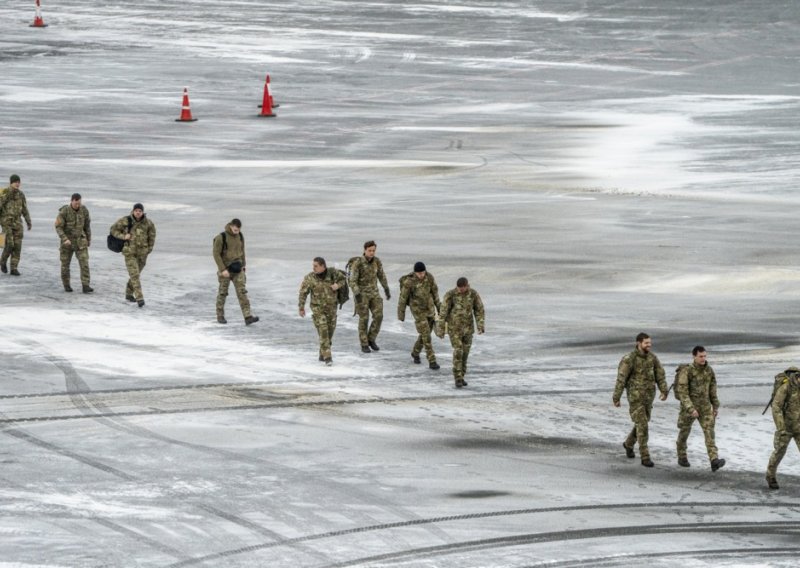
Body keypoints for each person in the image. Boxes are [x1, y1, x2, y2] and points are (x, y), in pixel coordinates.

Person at [613, 332, 669, 467]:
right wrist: (617, 397)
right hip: (635, 398)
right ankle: (645, 456)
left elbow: (660, 375)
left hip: (649, 398)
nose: (649, 345)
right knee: (643, 425)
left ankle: (628, 444)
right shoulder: (629, 359)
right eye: (646, 343)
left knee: (641, 424)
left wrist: (664, 390)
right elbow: (621, 379)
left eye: (650, 343)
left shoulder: (653, 358)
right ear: (639, 343)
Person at [675, 346, 725, 471]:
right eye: (700, 356)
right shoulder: (687, 371)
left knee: (710, 433)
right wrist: (691, 409)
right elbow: (682, 392)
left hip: (705, 408)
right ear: (694, 356)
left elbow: (712, 389)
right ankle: (682, 456)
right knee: (684, 432)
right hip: (689, 408)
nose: (703, 359)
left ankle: (714, 460)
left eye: (704, 356)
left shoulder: (709, 370)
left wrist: (715, 405)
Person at [437, 277, 485, 388]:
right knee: (458, 351)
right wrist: (441, 329)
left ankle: (462, 376)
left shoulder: (473, 294)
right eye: (459, 288)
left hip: (468, 330)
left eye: (463, 288)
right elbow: (443, 313)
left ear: (467, 285)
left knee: (465, 354)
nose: (461, 290)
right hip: (454, 330)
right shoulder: (451, 295)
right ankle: (457, 378)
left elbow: (479, 310)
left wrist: (480, 325)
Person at [299, 257, 346, 366]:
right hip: (317, 309)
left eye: (316, 266)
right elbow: (303, 293)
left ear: (323, 266)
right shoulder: (310, 278)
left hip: (332, 309)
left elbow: (343, 279)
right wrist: (301, 307)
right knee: (323, 330)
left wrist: (337, 285)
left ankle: (322, 353)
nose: (313, 268)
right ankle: (328, 357)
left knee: (330, 332)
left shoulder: (333, 273)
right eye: (313, 266)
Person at [212, 219, 259, 326]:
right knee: (223, 293)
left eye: (238, 230)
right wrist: (222, 269)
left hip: (238, 269)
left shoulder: (240, 236)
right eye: (235, 229)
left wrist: (243, 266)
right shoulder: (221, 237)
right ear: (231, 226)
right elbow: (216, 254)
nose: (237, 231)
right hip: (225, 269)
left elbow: (242, 251)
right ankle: (220, 315)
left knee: (242, 292)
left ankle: (248, 317)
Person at [110, 203, 156, 307]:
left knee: (136, 274)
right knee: (134, 275)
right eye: (136, 211)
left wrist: (149, 249)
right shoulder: (126, 220)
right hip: (129, 253)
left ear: (142, 212)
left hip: (142, 254)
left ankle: (128, 293)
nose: (138, 213)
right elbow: (113, 230)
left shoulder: (148, 223)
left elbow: (152, 236)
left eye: (140, 211)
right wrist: (123, 236)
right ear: (133, 211)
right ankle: (140, 298)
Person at [397, 261, 441, 370]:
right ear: (415, 272)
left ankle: (415, 352)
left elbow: (435, 294)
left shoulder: (429, 277)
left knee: (425, 333)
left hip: (429, 309)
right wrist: (401, 314)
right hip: (418, 311)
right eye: (419, 273)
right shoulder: (409, 282)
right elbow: (402, 299)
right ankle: (432, 360)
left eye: (423, 273)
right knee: (426, 335)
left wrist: (440, 309)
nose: (421, 275)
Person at [349, 240, 390, 353]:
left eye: (373, 250)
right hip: (362, 295)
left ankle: (371, 339)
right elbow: (352, 281)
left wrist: (386, 288)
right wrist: (357, 293)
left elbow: (381, 275)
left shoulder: (377, 261)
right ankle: (364, 343)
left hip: (374, 293)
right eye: (369, 250)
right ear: (365, 250)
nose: (372, 253)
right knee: (364, 319)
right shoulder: (358, 263)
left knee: (379, 316)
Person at [766, 366, 800, 489]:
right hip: (786, 427)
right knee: (779, 452)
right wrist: (781, 427)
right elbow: (776, 407)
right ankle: (770, 476)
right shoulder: (786, 387)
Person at [54, 193, 93, 293]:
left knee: (84, 263)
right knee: (65, 265)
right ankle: (66, 285)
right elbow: (58, 227)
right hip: (67, 242)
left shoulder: (84, 210)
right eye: (76, 203)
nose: (77, 205)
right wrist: (64, 239)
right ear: (72, 201)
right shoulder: (64, 211)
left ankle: (86, 285)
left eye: (79, 203)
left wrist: (89, 239)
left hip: (80, 241)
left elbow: (87, 226)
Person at [0, 174, 32, 276]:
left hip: (17, 223)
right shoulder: (5, 192)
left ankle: (14, 268)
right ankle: (2, 261)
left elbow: (24, 209)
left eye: (18, 182)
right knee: (9, 244)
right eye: (15, 182)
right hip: (6, 222)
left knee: (17, 246)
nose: (17, 184)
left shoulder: (21, 195)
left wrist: (28, 221)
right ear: (11, 183)